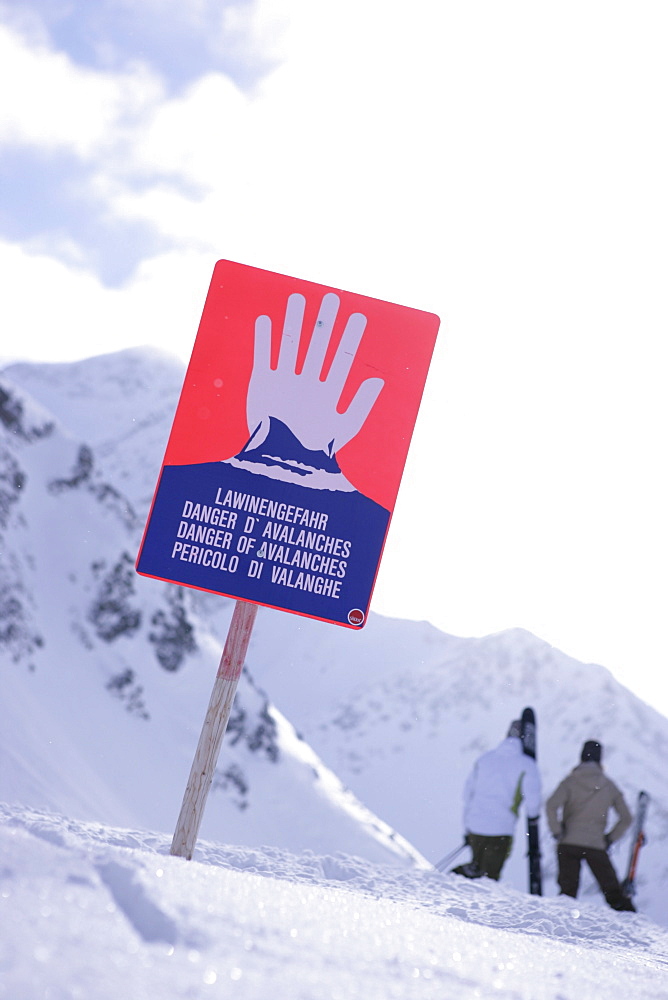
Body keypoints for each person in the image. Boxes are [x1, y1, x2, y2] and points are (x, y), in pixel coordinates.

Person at [546, 740, 635, 911]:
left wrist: (557, 831)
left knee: (567, 893)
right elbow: (626, 818)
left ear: (581, 757)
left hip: (569, 842)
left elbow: (551, 805)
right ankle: (632, 921)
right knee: (613, 892)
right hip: (596, 844)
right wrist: (610, 838)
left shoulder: (570, 781)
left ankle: (560, 924)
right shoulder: (609, 786)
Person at [453, 719, 542, 881]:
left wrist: (467, 827)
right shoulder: (526, 764)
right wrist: (534, 819)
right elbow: (533, 801)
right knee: (489, 877)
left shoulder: (485, 759)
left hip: (475, 825)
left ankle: (458, 888)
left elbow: (467, 794)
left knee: (476, 868)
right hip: (501, 828)